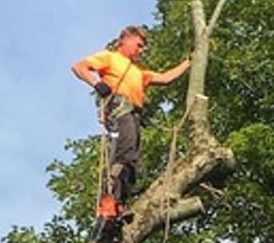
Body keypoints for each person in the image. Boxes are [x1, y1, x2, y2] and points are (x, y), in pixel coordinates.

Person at [72, 25, 191, 218]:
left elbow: (165, 78)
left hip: (133, 115)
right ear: (125, 39)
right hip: (119, 111)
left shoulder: (138, 72)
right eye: (139, 45)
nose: (141, 50)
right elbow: (79, 67)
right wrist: (97, 83)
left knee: (132, 163)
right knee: (124, 154)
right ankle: (109, 205)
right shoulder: (110, 57)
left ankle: (119, 205)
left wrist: (187, 63)